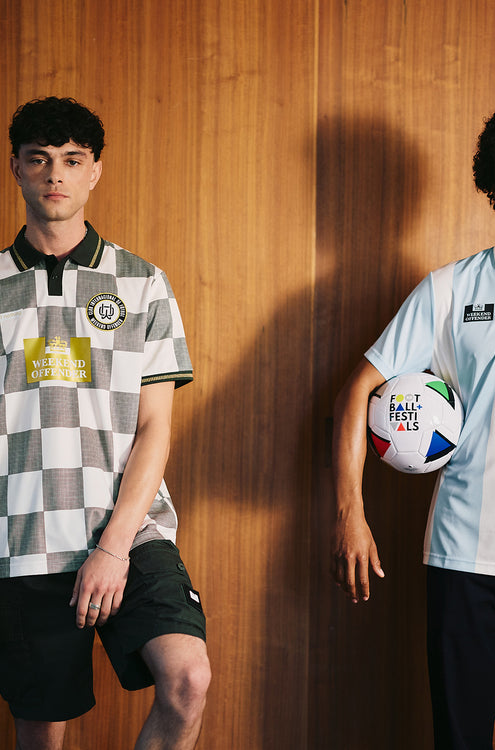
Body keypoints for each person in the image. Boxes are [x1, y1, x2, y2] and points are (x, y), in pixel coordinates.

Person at [331, 101, 495, 749]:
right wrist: (350, 514)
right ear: (492, 186)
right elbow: (357, 391)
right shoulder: (449, 288)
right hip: (463, 551)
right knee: (459, 737)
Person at [0, 97, 211, 750]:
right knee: (42, 733)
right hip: (24, 538)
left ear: (94, 171)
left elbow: (155, 429)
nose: (54, 174)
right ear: (17, 169)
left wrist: (114, 548)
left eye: (72, 160)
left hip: (128, 529)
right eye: (39, 159)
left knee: (188, 680)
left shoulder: (142, 283)